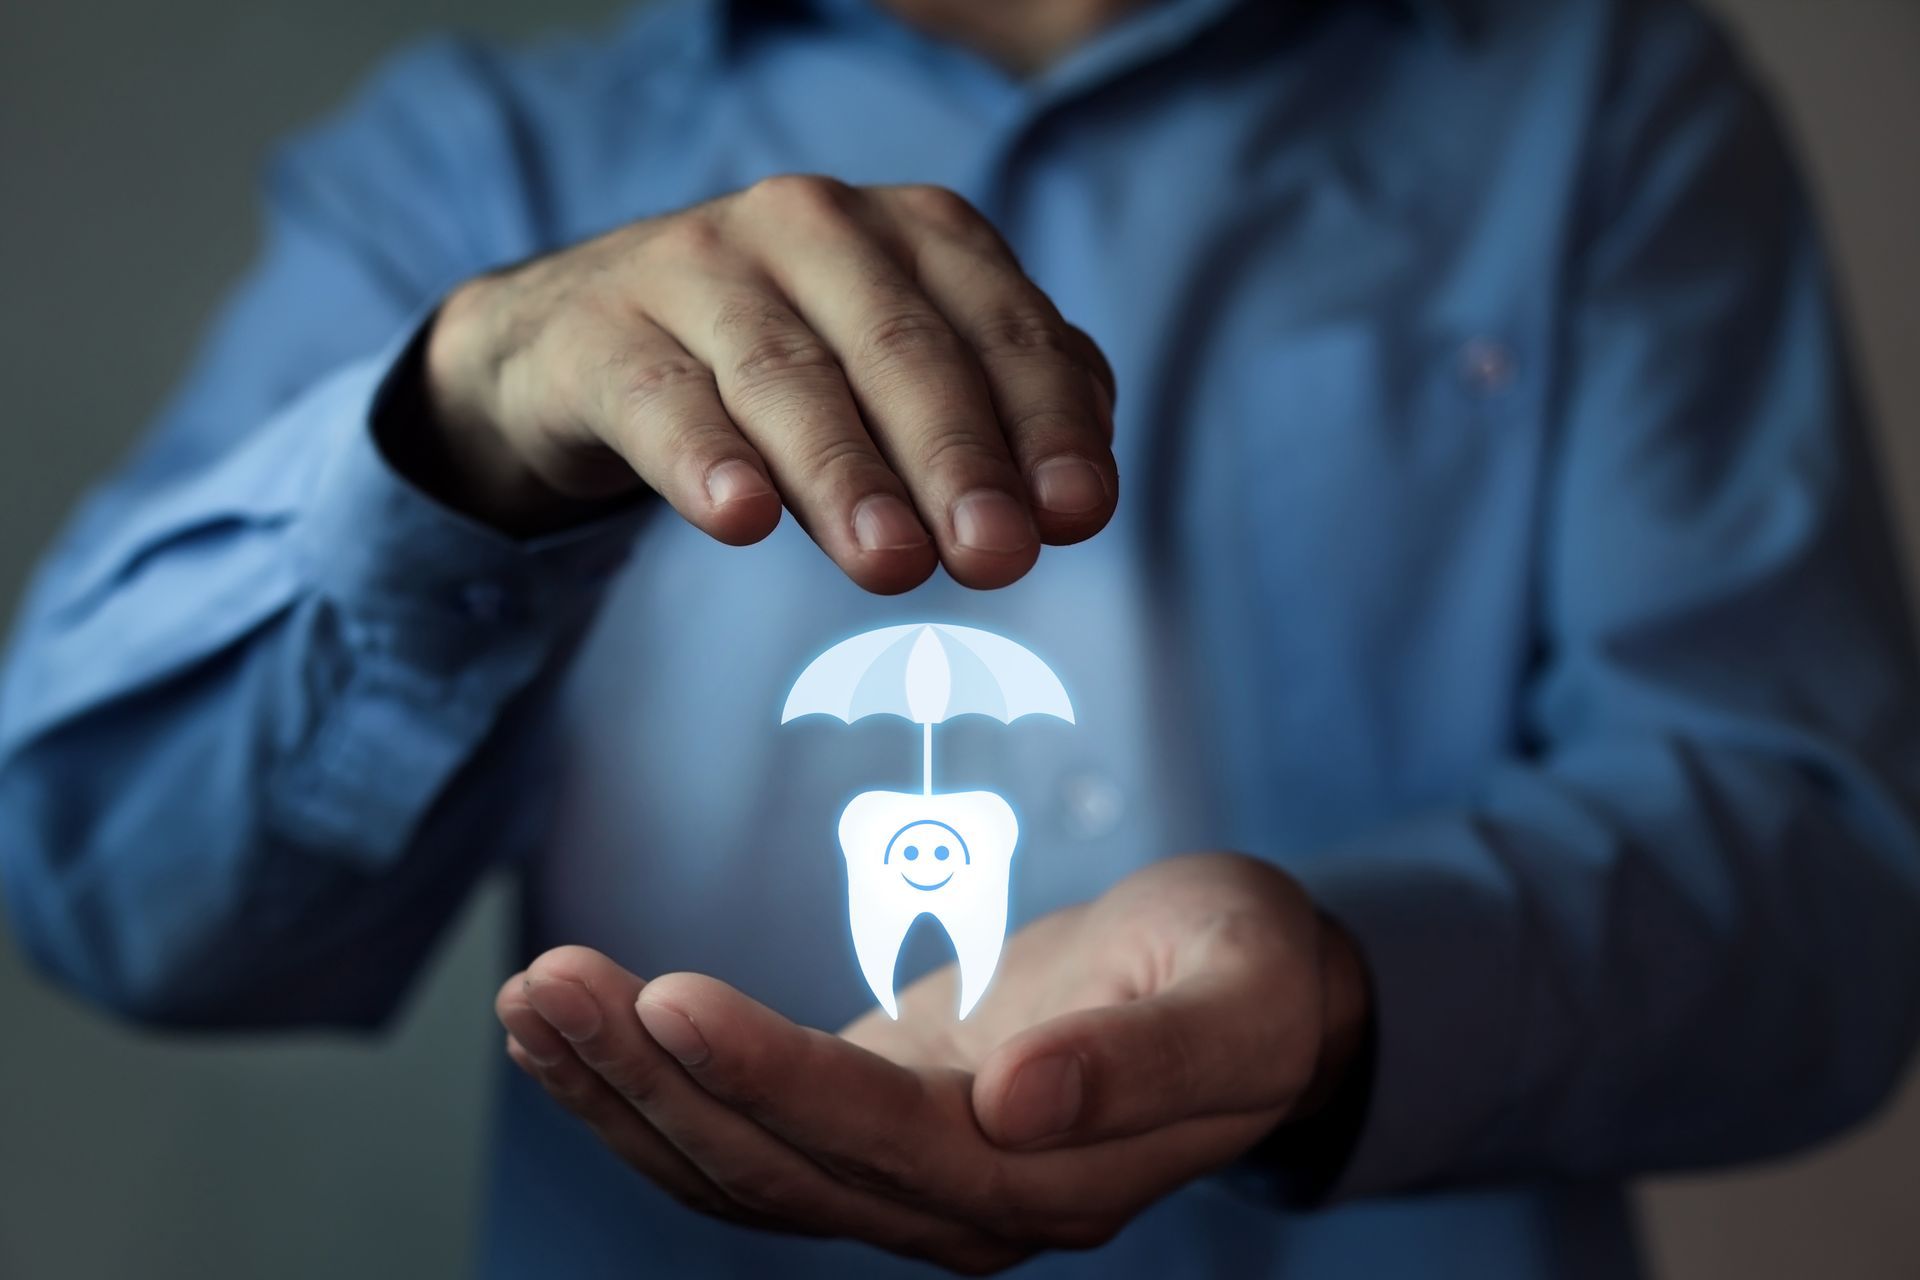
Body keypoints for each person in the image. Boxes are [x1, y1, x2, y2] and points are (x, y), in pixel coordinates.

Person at [3, 0, 1917, 1274]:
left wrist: (1348, 988)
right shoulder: (480, 166)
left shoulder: (1590, 105)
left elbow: (1827, 883)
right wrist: (454, 445)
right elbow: (108, 889)